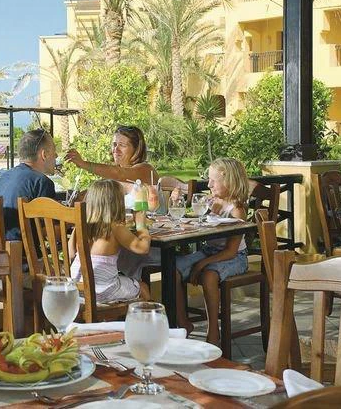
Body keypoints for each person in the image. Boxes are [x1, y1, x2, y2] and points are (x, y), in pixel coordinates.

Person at [65, 125, 161, 280]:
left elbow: (120, 173)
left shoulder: (145, 169)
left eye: (122, 145)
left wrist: (84, 164)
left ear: (136, 149)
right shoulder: (112, 178)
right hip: (123, 242)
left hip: (150, 241)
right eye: (114, 144)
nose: (116, 149)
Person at [174, 157, 249, 346]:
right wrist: (180, 203)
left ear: (228, 181)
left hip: (235, 257)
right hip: (210, 251)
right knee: (173, 268)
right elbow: (199, 224)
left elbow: (231, 251)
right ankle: (183, 323)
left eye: (213, 181)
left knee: (209, 276)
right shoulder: (212, 203)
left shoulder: (237, 210)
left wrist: (201, 264)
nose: (208, 185)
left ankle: (213, 330)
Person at [68, 180, 151, 303]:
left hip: (76, 287)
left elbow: (70, 253)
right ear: (116, 203)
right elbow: (143, 248)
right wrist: (141, 225)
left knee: (124, 280)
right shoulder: (115, 227)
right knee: (143, 287)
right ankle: (147, 315)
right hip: (103, 291)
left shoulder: (81, 225)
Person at [0, 128, 57, 242]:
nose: (56, 155)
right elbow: (49, 232)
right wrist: (74, 219)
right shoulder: (41, 182)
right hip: (21, 252)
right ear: (44, 154)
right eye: (54, 151)